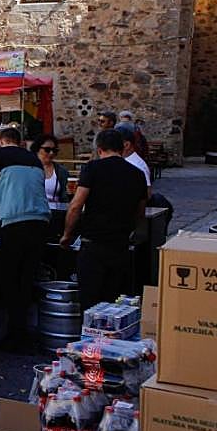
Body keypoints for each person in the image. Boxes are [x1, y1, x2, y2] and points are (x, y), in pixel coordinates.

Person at [0, 127, 51, 352]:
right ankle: (25, 334)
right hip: (41, 223)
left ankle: (14, 337)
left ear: (0, 141)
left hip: (15, 225)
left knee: (9, 281)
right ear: (20, 143)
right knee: (27, 280)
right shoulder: (34, 160)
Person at [61, 129, 149, 311]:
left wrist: (67, 234)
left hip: (94, 243)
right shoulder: (137, 174)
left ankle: (88, 338)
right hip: (120, 244)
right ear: (121, 147)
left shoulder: (92, 168)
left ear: (99, 148)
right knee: (113, 302)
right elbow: (140, 211)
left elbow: (76, 205)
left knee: (89, 302)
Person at [30, 133, 70, 238]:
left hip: (55, 216)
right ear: (37, 149)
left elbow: (65, 196)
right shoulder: (28, 169)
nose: (51, 153)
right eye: (47, 150)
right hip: (33, 215)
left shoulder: (61, 171)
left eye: (55, 150)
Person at [115, 123, 152, 195]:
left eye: (113, 143)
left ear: (126, 145)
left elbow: (147, 193)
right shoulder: (125, 160)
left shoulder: (137, 165)